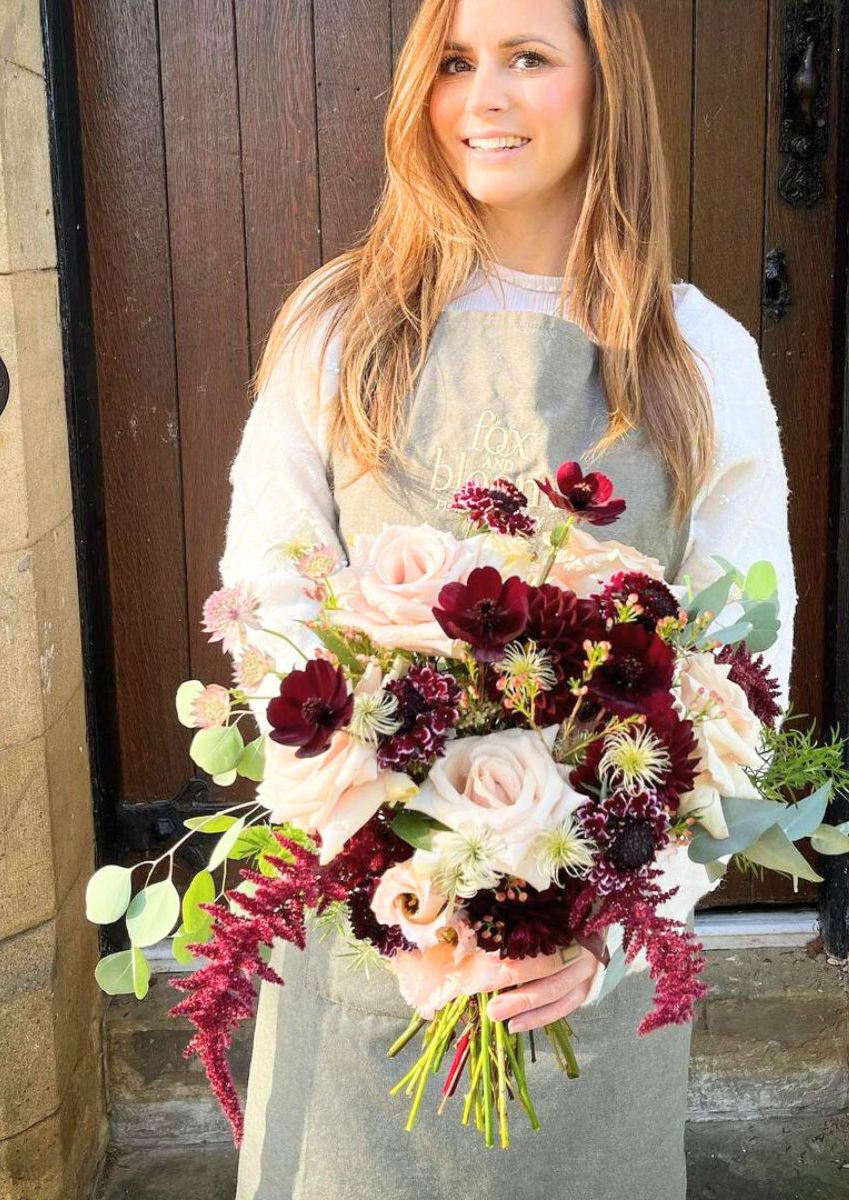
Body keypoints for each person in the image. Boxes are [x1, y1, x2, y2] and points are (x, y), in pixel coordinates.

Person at [217, 1, 796, 1196]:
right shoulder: (341, 331)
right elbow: (269, 598)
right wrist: (393, 859)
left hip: (586, 977)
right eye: (454, 63)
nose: (482, 97)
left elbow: (742, 664)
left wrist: (618, 924)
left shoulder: (697, 356)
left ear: (603, 87)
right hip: (373, 941)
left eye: (527, 59)